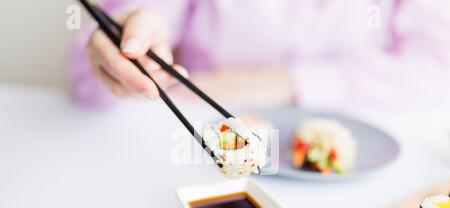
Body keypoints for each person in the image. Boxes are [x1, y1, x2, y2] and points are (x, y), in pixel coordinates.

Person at [69, 0, 450, 110]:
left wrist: (285, 82)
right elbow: (87, 84)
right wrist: (122, 40)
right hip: (189, 153)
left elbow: (436, 66)